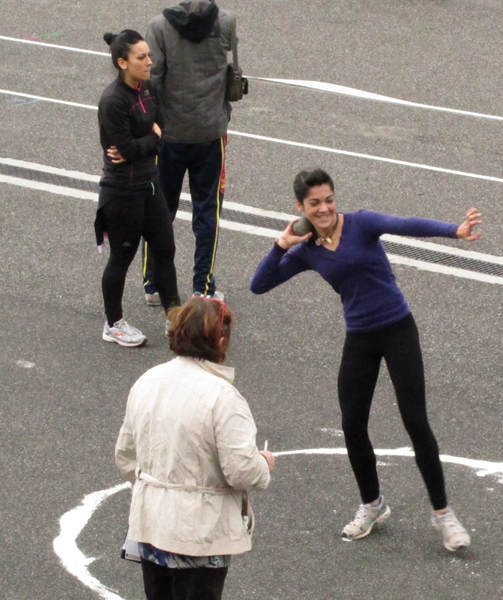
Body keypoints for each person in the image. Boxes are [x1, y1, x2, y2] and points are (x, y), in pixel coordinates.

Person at [250, 169, 481, 551]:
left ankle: (444, 515)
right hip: (360, 337)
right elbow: (259, 285)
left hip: (398, 329)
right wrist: (281, 244)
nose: (324, 208)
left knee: (415, 421)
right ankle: (372, 504)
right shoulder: (306, 249)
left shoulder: (362, 223)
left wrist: (454, 230)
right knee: (352, 425)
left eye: (328, 199)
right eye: (314, 203)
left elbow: (405, 224)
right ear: (300, 207)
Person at [115, 296, 275, 600]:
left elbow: (125, 455)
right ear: (221, 339)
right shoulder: (224, 397)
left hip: (150, 523)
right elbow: (241, 471)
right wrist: (263, 464)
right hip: (200, 532)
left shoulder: (146, 381)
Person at [142, 0, 239, 304]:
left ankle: (153, 283)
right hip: (210, 132)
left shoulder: (159, 26)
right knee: (208, 211)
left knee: (159, 209)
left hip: (169, 134)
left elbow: (152, 79)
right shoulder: (226, 21)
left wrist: (152, 125)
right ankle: (203, 286)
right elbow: (234, 72)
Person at [96, 30, 181, 347]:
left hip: (149, 183)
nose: (149, 61)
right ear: (123, 62)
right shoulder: (113, 101)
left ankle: (174, 317)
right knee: (122, 256)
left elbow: (150, 136)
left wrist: (146, 143)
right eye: (141, 57)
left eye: (148, 55)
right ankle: (113, 323)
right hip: (122, 192)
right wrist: (153, 139)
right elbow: (127, 148)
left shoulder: (148, 88)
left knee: (165, 249)